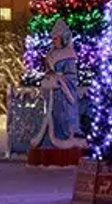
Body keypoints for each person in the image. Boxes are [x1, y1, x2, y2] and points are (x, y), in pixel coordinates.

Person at [31, 18, 87, 153]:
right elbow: (48, 72)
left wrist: (59, 80)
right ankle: (54, 137)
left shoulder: (68, 55)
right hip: (54, 94)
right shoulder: (51, 55)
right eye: (53, 39)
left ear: (63, 39)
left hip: (64, 94)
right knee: (54, 116)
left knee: (65, 116)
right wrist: (49, 78)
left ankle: (68, 137)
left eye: (56, 39)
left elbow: (72, 76)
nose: (54, 41)